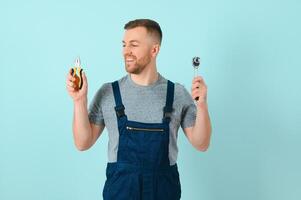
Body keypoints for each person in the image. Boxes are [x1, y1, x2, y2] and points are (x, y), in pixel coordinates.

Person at [66, 19, 211, 200]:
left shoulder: (177, 94)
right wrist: (79, 101)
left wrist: (202, 104)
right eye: (124, 44)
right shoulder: (109, 92)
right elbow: (82, 143)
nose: (126, 51)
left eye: (134, 45)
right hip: (120, 192)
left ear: (154, 50)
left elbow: (202, 143)